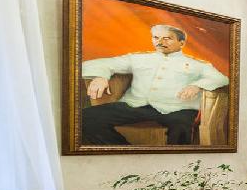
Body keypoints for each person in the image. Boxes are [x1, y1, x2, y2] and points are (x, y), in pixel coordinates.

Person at [81, 24, 229, 145]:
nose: (160, 42)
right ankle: (126, 153)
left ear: (181, 43)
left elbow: (222, 79)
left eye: (167, 38)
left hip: (178, 109)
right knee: (84, 118)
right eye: (156, 37)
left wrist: (197, 85)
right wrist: (101, 76)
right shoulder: (139, 58)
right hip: (136, 105)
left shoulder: (197, 64)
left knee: (181, 127)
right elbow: (98, 64)